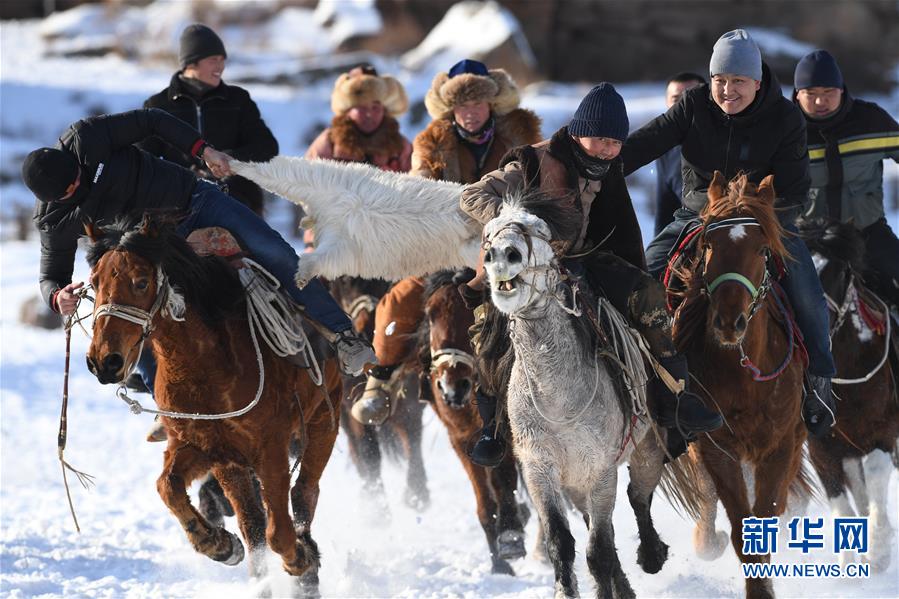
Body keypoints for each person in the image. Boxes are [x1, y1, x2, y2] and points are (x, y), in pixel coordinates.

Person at [460, 83, 724, 466]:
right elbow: (471, 196)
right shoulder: (534, 161)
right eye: (600, 139)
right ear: (578, 132)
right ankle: (493, 424)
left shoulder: (607, 167)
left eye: (615, 143)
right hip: (530, 265)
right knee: (489, 326)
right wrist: (515, 222)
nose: (607, 149)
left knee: (648, 294)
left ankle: (674, 396)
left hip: (585, 259)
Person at [23, 108, 376, 389]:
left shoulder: (87, 137)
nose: (78, 184)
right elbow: (51, 275)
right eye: (70, 189)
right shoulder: (54, 218)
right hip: (149, 246)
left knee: (276, 252)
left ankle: (343, 336)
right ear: (55, 199)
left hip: (194, 198)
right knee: (138, 313)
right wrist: (57, 297)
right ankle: (161, 397)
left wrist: (203, 150)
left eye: (78, 176)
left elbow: (152, 120)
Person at [621, 29, 836, 437]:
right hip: (700, 214)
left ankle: (821, 382)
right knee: (643, 275)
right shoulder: (693, 105)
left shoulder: (786, 118)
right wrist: (603, 167)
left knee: (807, 291)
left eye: (737, 81)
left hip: (765, 220)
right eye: (719, 80)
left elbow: (794, 190)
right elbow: (646, 143)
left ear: (757, 81)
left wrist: (757, 214)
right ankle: (634, 375)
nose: (727, 90)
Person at [351, 59, 542, 435]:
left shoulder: (522, 138)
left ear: (492, 104)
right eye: (461, 106)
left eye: (477, 104)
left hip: (510, 243)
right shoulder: (431, 143)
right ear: (450, 109)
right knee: (400, 300)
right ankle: (381, 379)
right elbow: (419, 191)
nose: (470, 113)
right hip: (447, 243)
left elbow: (538, 190)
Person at [792, 49, 899, 306]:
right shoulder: (784, 131)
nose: (820, 101)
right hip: (807, 238)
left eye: (828, 92)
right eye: (811, 94)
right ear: (797, 94)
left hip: (867, 232)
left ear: (841, 90)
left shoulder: (871, 120)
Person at [138, 24, 278, 217]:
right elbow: (142, 159)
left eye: (222, 60)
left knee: (264, 238)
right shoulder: (159, 105)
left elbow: (268, 147)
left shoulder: (238, 100)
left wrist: (230, 159)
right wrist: (180, 176)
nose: (221, 66)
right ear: (191, 63)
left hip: (237, 197)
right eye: (213, 60)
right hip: (177, 203)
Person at [301, 64, 412, 249]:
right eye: (361, 107)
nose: (369, 114)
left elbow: (415, 190)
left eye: (375, 107)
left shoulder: (400, 146)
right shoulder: (328, 143)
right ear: (348, 110)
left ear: (384, 109)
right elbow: (307, 190)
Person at [653, 72, 706, 235]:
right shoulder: (665, 150)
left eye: (691, 98)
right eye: (676, 99)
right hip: (685, 230)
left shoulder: (726, 135)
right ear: (667, 103)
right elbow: (664, 209)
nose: (684, 105)